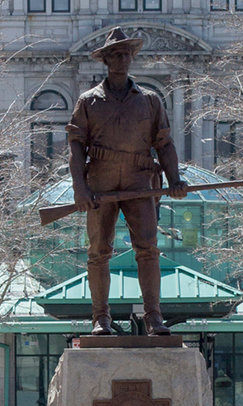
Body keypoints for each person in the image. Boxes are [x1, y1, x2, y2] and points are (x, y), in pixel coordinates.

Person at [67, 28, 188, 336]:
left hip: (140, 182)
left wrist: (175, 179)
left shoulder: (149, 101)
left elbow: (165, 143)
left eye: (127, 54)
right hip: (100, 184)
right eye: (116, 54)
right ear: (106, 60)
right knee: (98, 252)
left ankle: (153, 318)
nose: (123, 59)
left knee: (147, 249)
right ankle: (101, 318)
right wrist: (80, 188)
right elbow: (76, 146)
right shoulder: (88, 101)